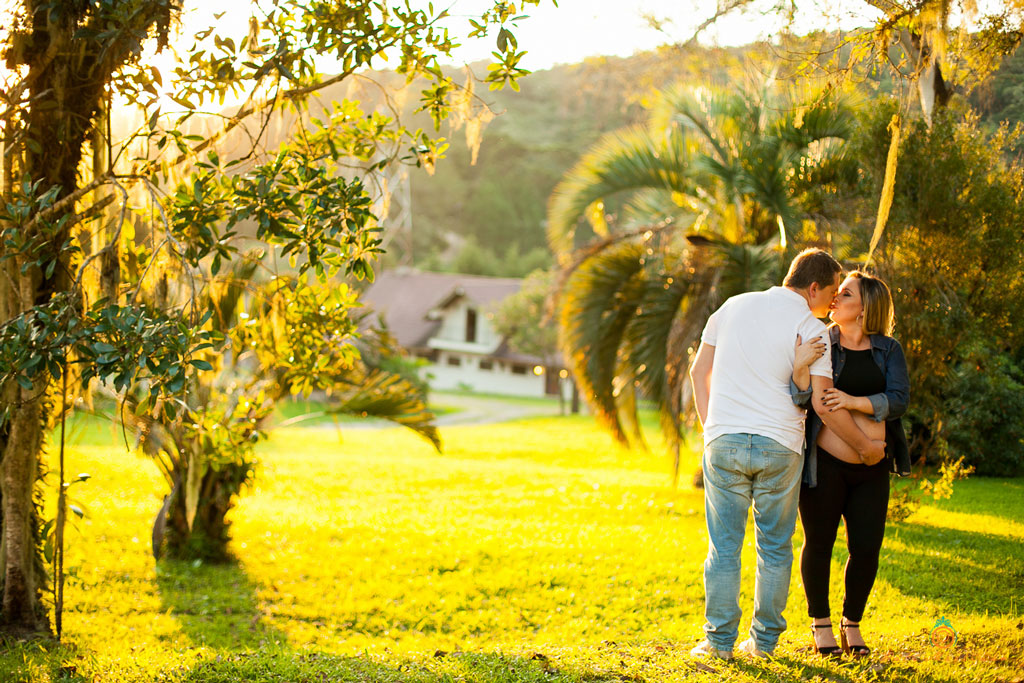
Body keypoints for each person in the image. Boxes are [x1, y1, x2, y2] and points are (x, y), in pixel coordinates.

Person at [688, 249, 885, 661]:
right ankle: (763, 644)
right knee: (775, 548)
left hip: (724, 441)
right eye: (831, 292)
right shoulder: (810, 329)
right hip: (780, 446)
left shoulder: (732, 306)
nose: (833, 303)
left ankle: (719, 644)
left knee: (723, 547)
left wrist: (712, 429)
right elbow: (822, 402)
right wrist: (866, 446)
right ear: (813, 288)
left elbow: (697, 372)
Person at [791, 271, 911, 657]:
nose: (835, 298)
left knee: (866, 548)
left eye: (845, 294)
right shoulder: (823, 342)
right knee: (820, 543)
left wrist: (855, 401)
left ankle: (851, 623)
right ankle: (821, 625)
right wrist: (862, 441)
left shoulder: (888, 350)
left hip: (873, 468)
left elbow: (899, 400)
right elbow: (807, 396)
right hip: (826, 465)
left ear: (864, 308)